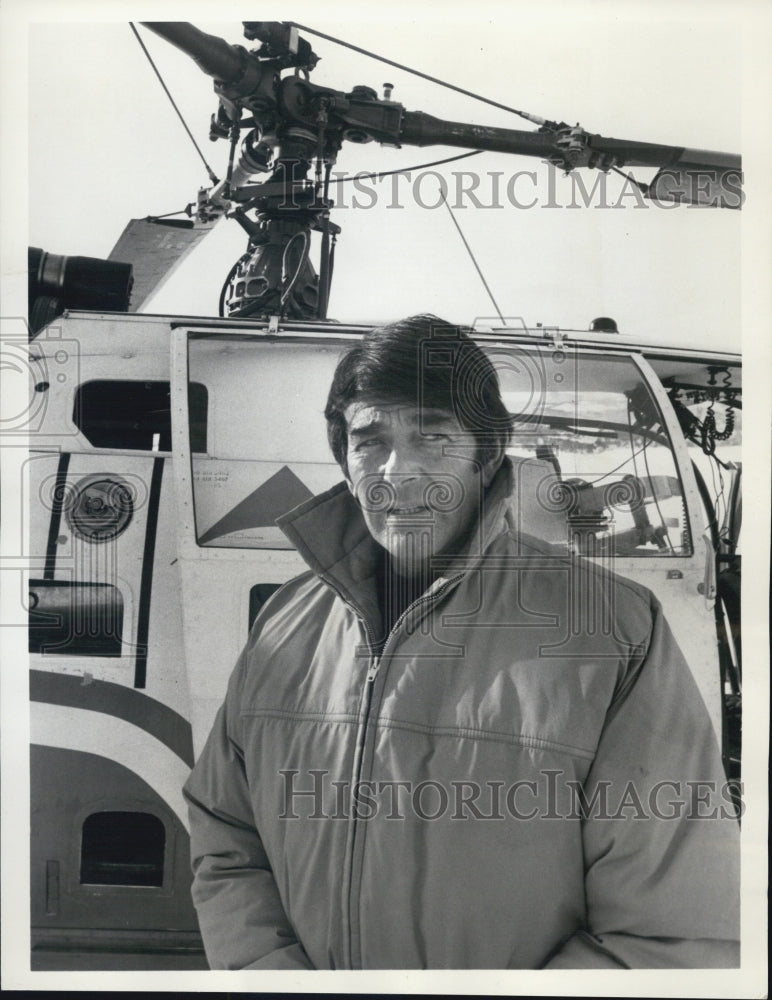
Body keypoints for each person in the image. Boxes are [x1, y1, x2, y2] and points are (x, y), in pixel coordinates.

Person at [183, 315, 740, 969]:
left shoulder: (611, 631)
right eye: (370, 440)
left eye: (433, 436)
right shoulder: (285, 622)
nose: (400, 472)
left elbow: (670, 927)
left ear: (487, 452)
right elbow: (227, 836)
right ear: (344, 458)